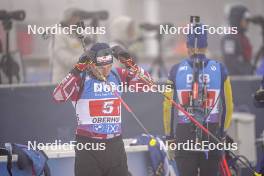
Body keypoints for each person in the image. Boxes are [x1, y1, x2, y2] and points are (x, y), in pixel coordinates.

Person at [53, 42, 151, 176]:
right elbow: (58, 96)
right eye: (101, 67)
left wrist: (130, 64)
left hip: (115, 145)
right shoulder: (81, 79)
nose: (106, 71)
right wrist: (77, 69)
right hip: (89, 147)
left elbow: (148, 84)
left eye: (109, 66)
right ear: (91, 64)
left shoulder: (117, 75)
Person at [163, 24, 234, 176]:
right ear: (206, 45)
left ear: (187, 45)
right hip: (212, 131)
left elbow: (167, 107)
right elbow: (229, 106)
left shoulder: (175, 70)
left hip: (184, 133)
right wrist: (222, 134)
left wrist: (169, 138)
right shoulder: (220, 69)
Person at [49, 8, 84, 83]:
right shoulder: (59, 35)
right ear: (67, 18)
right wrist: (86, 57)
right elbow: (67, 61)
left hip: (76, 81)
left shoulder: (75, 35)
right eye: (74, 16)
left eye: (78, 17)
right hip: (62, 82)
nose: (77, 20)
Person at [221, 4, 253, 75]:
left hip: (246, 80)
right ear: (237, 20)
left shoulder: (244, 38)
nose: (247, 23)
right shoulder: (229, 39)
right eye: (245, 20)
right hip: (235, 81)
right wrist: (247, 72)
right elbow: (230, 61)